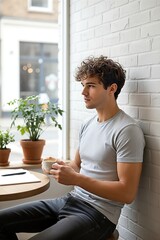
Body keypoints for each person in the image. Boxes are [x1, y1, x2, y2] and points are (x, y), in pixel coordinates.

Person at [0, 56, 145, 240]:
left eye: (91, 85)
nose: (83, 92)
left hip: (98, 214)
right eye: (83, 85)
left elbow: (127, 192)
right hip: (71, 200)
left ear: (112, 88)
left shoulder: (127, 130)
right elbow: (77, 165)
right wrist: (62, 167)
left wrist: (76, 178)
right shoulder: (88, 124)